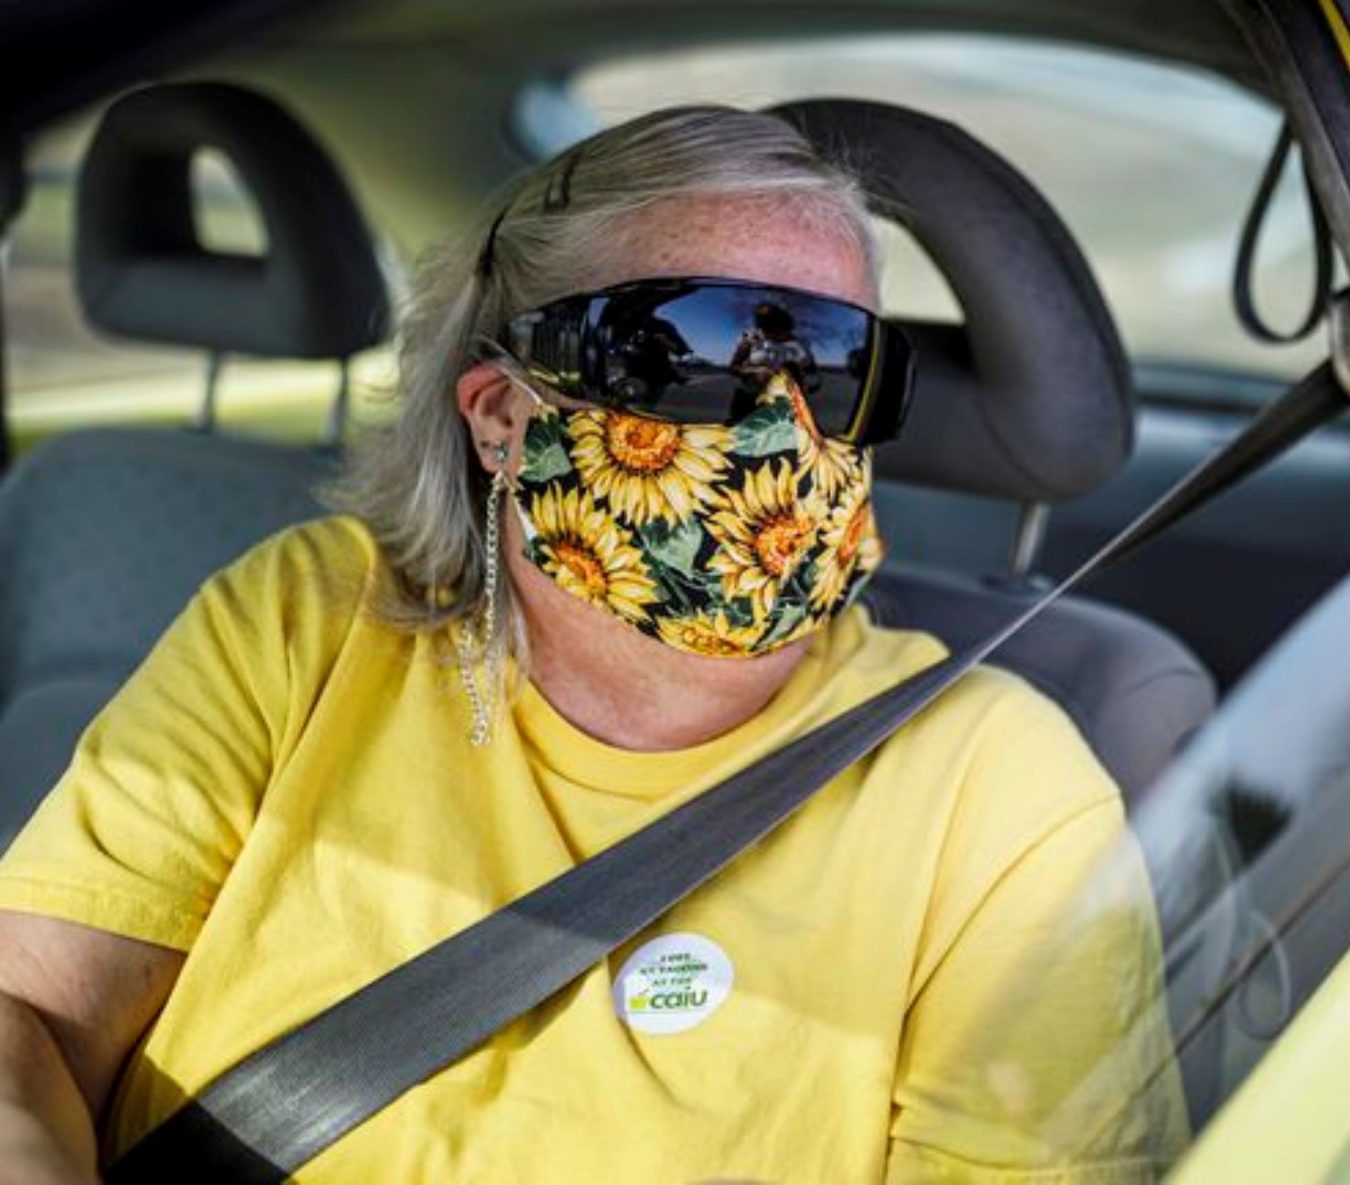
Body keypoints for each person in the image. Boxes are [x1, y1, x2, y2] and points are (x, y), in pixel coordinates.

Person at [0, 107, 1187, 1182]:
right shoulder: (309, 619)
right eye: (691, 349)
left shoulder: (995, 791)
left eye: (835, 367)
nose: (780, 422)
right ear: (506, 417)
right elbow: (27, 1015)